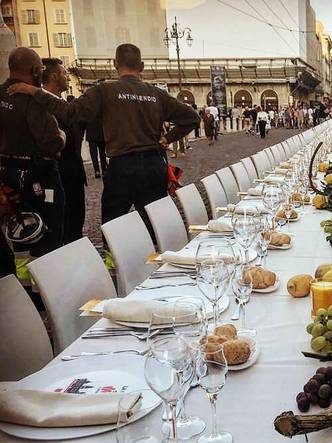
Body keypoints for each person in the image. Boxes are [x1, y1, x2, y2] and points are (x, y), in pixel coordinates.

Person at [9, 43, 199, 232]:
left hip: (122, 165)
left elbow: (69, 112)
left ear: (115, 64)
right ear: (141, 67)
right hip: (153, 164)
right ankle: (156, 256)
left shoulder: (104, 91)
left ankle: (113, 258)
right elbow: (192, 118)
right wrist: (168, 138)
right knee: (154, 222)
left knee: (113, 223)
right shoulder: (157, 94)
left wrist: (35, 91)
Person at [0, 47, 66, 272]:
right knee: (47, 233)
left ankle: (24, 284)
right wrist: (62, 138)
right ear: (36, 70)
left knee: (18, 230)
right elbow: (51, 143)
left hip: (7, 174)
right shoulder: (31, 99)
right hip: (38, 174)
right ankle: (46, 287)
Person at [41, 58, 87, 244]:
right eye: (63, 73)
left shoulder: (64, 104)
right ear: (53, 76)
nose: (67, 77)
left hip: (74, 173)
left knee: (75, 221)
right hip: (55, 174)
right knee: (59, 225)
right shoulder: (41, 105)